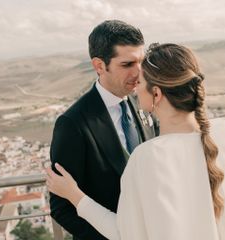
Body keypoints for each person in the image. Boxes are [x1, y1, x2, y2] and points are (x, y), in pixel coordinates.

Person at [47, 43, 225, 240]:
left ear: (157, 94)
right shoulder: (220, 133)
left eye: (141, 82)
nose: (135, 85)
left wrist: (74, 195)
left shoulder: (147, 155)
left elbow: (122, 233)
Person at [49, 20, 158, 240]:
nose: (138, 73)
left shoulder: (144, 104)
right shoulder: (73, 123)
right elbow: (61, 208)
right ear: (99, 65)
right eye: (127, 64)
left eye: (141, 62)